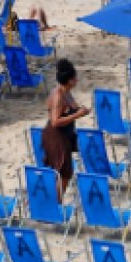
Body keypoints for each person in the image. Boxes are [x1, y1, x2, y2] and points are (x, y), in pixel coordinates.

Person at [42, 59, 90, 201]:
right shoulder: (57, 96)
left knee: (87, 146)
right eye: (75, 78)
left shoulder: (65, 92)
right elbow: (56, 121)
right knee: (65, 174)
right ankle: (56, 204)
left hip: (67, 134)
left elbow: (73, 106)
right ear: (69, 80)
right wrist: (77, 114)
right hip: (57, 137)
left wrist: (82, 110)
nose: (77, 80)